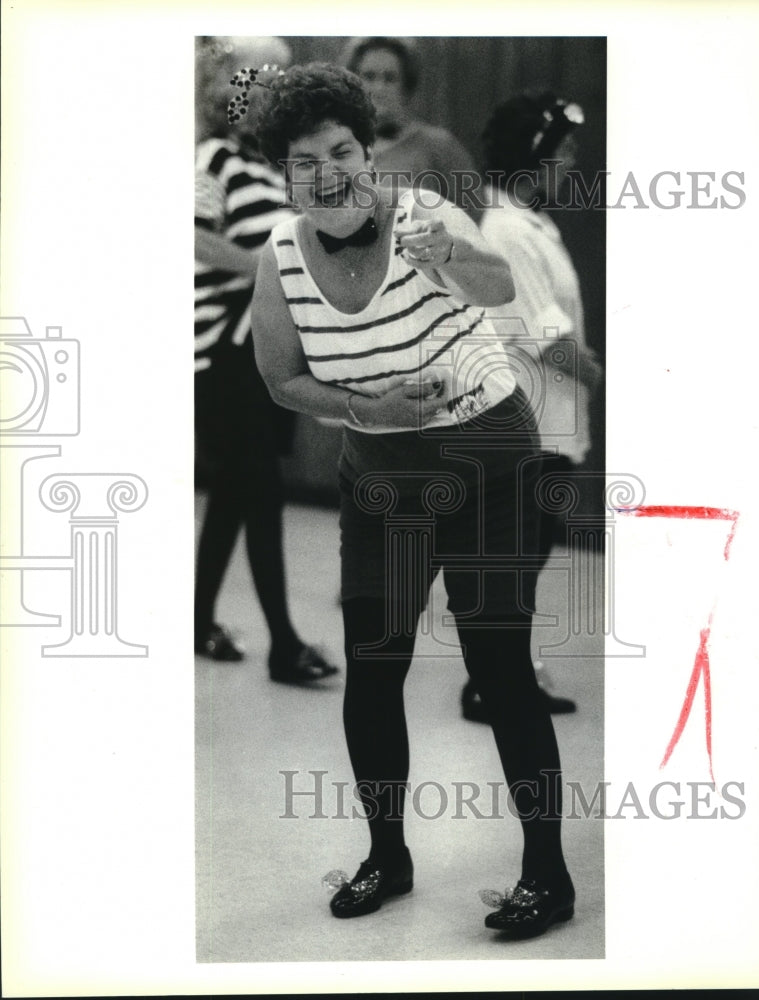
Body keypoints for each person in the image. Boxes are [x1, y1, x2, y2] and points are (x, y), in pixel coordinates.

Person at [250, 62, 576, 939]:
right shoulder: (279, 259)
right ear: (284, 175)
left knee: (500, 670)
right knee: (375, 666)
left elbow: (500, 288)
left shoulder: (421, 213)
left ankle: (548, 874)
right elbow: (281, 377)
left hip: (487, 460)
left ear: (366, 149)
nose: (329, 174)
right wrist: (367, 409)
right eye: (305, 162)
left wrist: (453, 257)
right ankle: (387, 856)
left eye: (342, 151)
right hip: (384, 474)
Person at [458, 92, 605, 724]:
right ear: (533, 157)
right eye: (562, 152)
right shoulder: (509, 230)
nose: (570, 163)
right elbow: (544, 335)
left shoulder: (528, 221)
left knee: (524, 558)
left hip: (551, 424)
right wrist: (600, 374)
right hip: (528, 425)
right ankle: (491, 684)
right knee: (513, 560)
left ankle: (509, 676)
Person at [194, 38, 337, 683]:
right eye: (240, 80)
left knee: (235, 492)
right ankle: (284, 643)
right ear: (216, 88)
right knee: (261, 490)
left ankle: (197, 621)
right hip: (222, 349)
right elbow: (190, 236)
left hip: (263, 349)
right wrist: (269, 269)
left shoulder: (266, 168)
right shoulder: (212, 158)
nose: (252, 95)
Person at [343, 36, 478, 210]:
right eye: (369, 77)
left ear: (406, 85)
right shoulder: (338, 147)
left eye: (390, 78)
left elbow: (472, 217)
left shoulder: (439, 147)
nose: (379, 88)